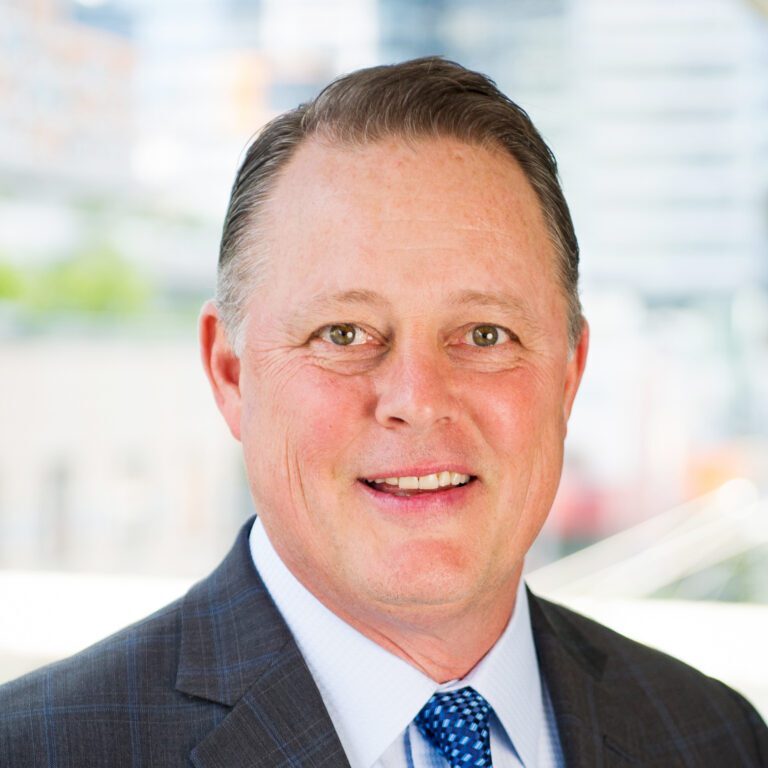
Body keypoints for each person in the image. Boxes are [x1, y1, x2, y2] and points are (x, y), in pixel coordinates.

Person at [0, 57, 765, 768]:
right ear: (231, 374)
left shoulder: (714, 736)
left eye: (485, 334)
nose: (417, 399)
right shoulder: (40, 748)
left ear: (568, 375)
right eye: (344, 334)